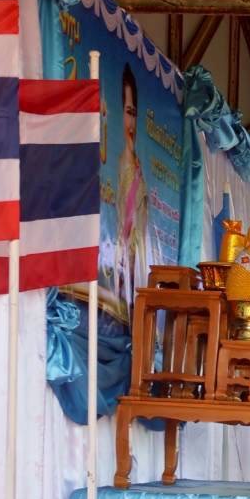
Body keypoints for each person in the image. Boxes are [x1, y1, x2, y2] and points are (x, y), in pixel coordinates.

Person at [114, 63, 149, 322]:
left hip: (134, 263)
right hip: (120, 263)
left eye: (134, 113)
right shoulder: (117, 164)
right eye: (127, 112)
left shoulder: (137, 166)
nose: (131, 122)